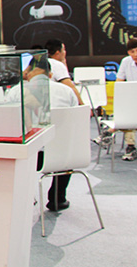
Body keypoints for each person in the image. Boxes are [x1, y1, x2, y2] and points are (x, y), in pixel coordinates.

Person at [8, 56, 77, 210]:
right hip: (62, 156)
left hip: (30, 156)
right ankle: (58, 198)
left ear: (28, 72)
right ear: (50, 74)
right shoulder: (67, 91)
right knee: (65, 144)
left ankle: (26, 196)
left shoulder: (16, 91)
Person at [116, 37, 137, 161]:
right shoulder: (126, 62)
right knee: (127, 111)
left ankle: (110, 130)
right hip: (132, 103)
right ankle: (130, 146)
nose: (136, 55)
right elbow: (119, 84)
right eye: (132, 52)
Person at [45, 39, 83, 106]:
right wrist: (83, 105)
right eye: (63, 50)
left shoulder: (42, 62)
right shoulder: (57, 64)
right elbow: (71, 87)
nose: (65, 52)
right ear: (57, 53)